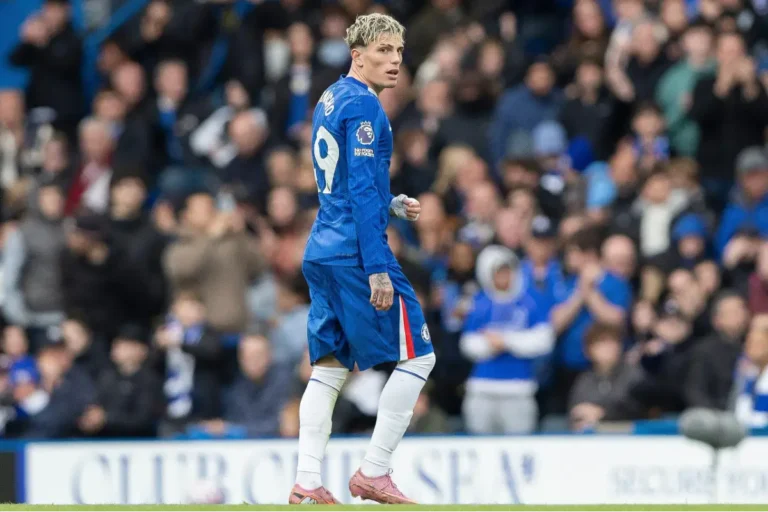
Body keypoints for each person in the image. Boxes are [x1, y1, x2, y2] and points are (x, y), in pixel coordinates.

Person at [291, 13, 434, 505]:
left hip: (322, 248)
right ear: (358, 54)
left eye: (399, 51)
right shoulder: (365, 108)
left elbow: (347, 180)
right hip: (356, 250)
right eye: (383, 51)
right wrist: (377, 264)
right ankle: (374, 470)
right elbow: (357, 189)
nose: (395, 61)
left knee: (329, 368)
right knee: (420, 354)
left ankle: (307, 483)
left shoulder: (330, 98)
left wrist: (392, 201)